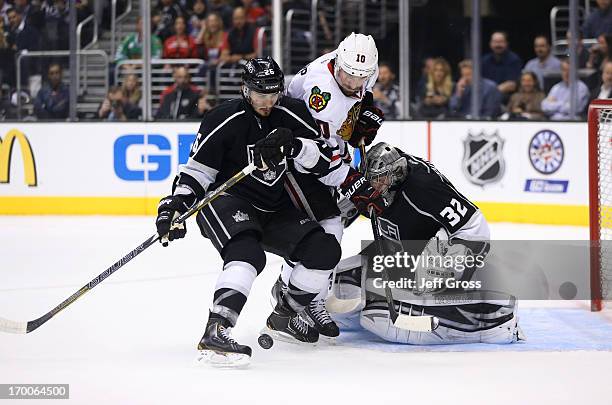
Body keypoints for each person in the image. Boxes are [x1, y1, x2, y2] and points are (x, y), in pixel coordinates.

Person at [155, 57, 381, 365]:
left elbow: (324, 161)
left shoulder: (292, 112)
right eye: (260, 94)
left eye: (273, 94)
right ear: (245, 90)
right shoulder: (223, 118)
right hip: (228, 201)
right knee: (248, 254)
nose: (267, 101)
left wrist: (297, 147)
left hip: (274, 206)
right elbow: (197, 173)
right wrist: (174, 205)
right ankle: (216, 329)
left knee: (325, 249)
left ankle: (284, 315)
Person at [330, 142, 524, 345]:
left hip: (449, 244)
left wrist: (450, 261)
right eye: (372, 181)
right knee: (345, 279)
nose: (375, 187)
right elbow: (339, 214)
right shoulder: (376, 181)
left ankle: (492, 319)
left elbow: (475, 226)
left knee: (425, 278)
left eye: (381, 180)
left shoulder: (423, 187)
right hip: (405, 245)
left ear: (396, 173)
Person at [279, 32, 388, 341]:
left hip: (323, 149)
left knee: (330, 230)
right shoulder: (322, 95)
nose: (353, 83)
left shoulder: (363, 70)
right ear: (337, 62)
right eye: (347, 76)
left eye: (359, 78)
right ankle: (291, 296)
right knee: (319, 231)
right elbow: (323, 160)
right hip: (298, 156)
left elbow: (358, 101)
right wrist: (353, 181)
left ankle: (309, 295)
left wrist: (361, 118)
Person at [481, 31, 522, 101]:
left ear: (506, 43)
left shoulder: (513, 59)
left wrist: (490, 93)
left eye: (500, 42)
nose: (497, 45)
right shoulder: (484, 60)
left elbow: (511, 85)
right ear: (490, 44)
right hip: (486, 97)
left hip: (506, 99)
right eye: (495, 42)